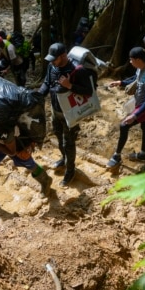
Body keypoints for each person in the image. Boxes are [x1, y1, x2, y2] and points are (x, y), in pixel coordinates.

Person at [0, 104, 52, 204]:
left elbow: (12, 152)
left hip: (16, 146)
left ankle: (46, 180)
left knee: (30, 165)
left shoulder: (4, 129)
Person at [38, 43, 96, 186]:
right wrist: (37, 96)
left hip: (70, 113)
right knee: (58, 136)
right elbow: (47, 83)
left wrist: (69, 86)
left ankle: (70, 170)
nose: (52, 62)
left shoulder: (77, 70)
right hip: (55, 110)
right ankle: (64, 159)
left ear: (63, 56)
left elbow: (89, 91)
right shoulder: (52, 66)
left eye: (54, 59)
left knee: (68, 143)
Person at [105, 47, 145, 167]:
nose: (130, 62)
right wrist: (121, 82)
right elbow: (136, 79)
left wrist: (135, 115)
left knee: (124, 125)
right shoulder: (141, 69)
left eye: (131, 59)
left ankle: (117, 156)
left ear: (138, 60)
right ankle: (143, 154)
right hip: (141, 103)